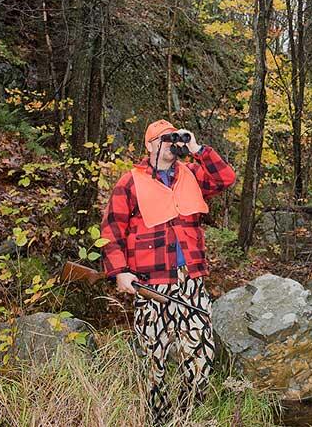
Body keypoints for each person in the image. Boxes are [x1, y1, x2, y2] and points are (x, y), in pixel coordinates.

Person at [100, 119, 236, 424]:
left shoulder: (191, 175)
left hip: (191, 281)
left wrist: (197, 148)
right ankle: (156, 420)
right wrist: (120, 272)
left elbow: (226, 178)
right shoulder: (130, 182)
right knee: (154, 358)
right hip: (151, 283)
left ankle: (190, 416)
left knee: (200, 354)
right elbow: (110, 231)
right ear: (148, 145)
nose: (170, 143)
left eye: (173, 138)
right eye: (163, 138)